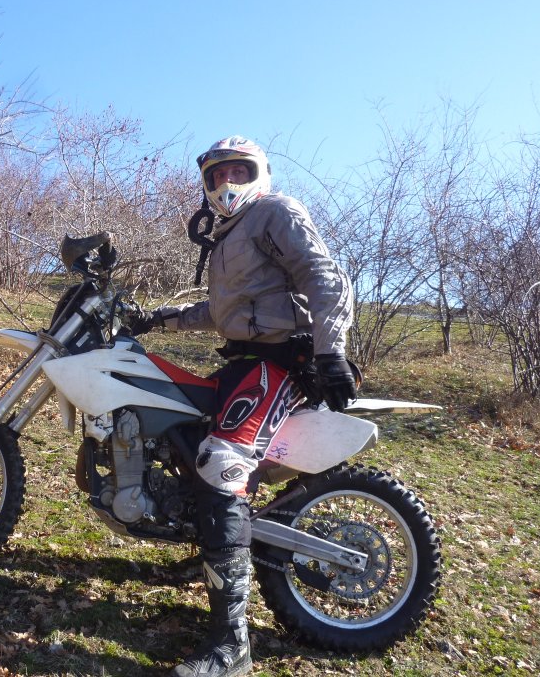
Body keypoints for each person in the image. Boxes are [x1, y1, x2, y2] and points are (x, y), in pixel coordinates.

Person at [129, 136, 356, 677]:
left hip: (283, 361)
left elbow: (324, 277)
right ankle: (208, 546)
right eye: (216, 175)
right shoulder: (230, 234)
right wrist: (157, 319)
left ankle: (232, 646)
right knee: (183, 441)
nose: (226, 182)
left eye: (237, 171)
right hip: (245, 362)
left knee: (220, 463)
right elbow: (222, 312)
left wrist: (331, 353)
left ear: (259, 173)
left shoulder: (276, 212)